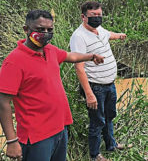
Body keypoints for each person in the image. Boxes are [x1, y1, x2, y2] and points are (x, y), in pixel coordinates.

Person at [0, 10, 104, 161]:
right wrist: (11, 141)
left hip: (60, 128)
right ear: (26, 30)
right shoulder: (14, 61)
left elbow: (70, 55)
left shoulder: (50, 50)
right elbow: (3, 102)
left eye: (50, 30)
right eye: (40, 29)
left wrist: (91, 56)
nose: (46, 33)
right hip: (37, 137)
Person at [70, 1, 127, 161]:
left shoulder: (99, 29)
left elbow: (108, 34)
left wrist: (119, 35)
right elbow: (79, 68)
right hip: (96, 87)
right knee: (97, 121)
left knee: (109, 116)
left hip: (109, 84)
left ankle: (111, 145)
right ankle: (95, 155)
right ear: (83, 17)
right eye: (93, 16)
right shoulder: (79, 36)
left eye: (99, 15)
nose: (97, 18)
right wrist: (89, 94)